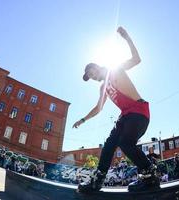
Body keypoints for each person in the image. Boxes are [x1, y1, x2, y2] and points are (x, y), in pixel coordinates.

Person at [73, 26, 158, 193]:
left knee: (125, 143)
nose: (94, 76)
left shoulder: (115, 69)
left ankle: (150, 175)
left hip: (139, 112)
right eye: (91, 77)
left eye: (93, 72)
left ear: (98, 67)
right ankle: (98, 180)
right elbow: (98, 108)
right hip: (125, 116)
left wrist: (126, 37)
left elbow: (136, 59)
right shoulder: (103, 88)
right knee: (109, 144)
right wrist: (83, 120)